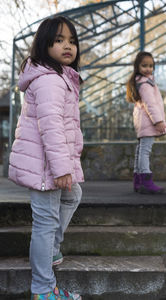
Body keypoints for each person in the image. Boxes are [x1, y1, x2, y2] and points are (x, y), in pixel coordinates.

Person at [9, 16, 84, 300]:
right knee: (45, 222)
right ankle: (43, 290)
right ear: (44, 44)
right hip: (46, 167)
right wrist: (61, 168)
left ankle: (52, 247)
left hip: (46, 164)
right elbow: (51, 126)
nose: (68, 46)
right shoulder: (50, 80)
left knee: (73, 194)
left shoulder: (59, 77)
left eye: (72, 41)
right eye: (59, 40)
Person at [126, 51, 166, 194]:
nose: (148, 69)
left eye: (151, 66)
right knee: (145, 151)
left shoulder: (142, 81)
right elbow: (151, 104)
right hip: (149, 122)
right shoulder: (145, 84)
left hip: (143, 122)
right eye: (144, 65)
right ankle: (146, 180)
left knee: (140, 151)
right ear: (137, 66)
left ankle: (138, 181)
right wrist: (159, 121)